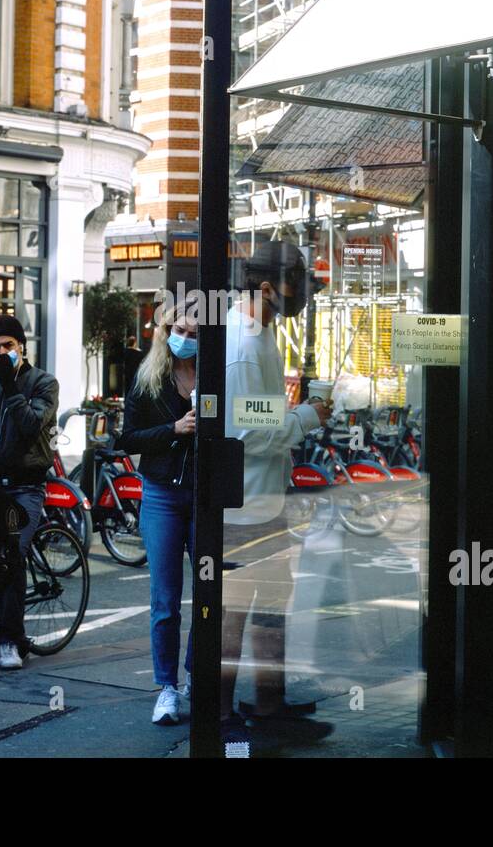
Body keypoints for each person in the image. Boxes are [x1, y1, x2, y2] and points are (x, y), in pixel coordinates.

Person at [221, 239, 331, 756]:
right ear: (264, 288)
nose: (298, 297)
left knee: (266, 606)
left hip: (262, 496)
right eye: (293, 286)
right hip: (246, 502)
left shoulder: (260, 334)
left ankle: (267, 704)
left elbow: (260, 421)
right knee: (239, 610)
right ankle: (223, 713)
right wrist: (305, 418)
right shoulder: (245, 345)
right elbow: (248, 431)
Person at [116, 305, 197, 724]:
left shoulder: (215, 373)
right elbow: (127, 438)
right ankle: (166, 687)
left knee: (210, 594)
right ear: (165, 330)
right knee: (165, 601)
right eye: (177, 329)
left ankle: (194, 675)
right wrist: (173, 430)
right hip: (162, 494)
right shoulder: (149, 378)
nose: (184, 336)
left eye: (193, 331)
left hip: (205, 495)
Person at [0, 314, 59, 669]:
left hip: (26, 485)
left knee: (11, 553)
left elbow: (29, 425)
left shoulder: (43, 382)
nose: (2, 353)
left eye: (8, 346)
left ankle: (9, 639)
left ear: (21, 346)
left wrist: (11, 386)